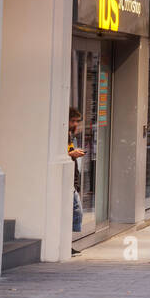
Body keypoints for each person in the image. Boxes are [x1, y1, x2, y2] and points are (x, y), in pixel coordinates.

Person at [68, 108, 85, 253]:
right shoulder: (64, 135)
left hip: (72, 179)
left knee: (73, 212)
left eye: (77, 121)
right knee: (76, 211)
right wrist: (71, 154)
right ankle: (66, 244)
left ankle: (68, 244)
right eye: (72, 121)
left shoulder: (70, 136)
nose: (75, 124)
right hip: (68, 180)